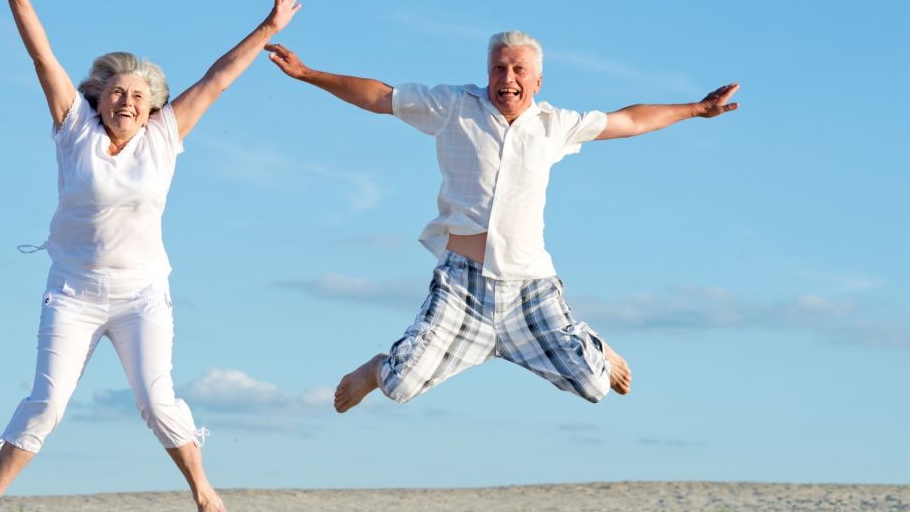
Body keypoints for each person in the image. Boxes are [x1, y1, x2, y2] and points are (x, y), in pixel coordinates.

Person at [0, 0, 300, 512]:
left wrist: (269, 26)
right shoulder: (73, 130)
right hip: (73, 290)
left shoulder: (165, 136)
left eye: (139, 95)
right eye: (117, 91)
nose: (127, 100)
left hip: (142, 292)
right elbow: (43, 59)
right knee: (48, 401)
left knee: (158, 401)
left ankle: (202, 490)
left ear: (152, 106)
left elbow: (218, 79)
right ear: (99, 97)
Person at [265, 32, 737, 414]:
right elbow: (380, 97)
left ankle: (592, 344)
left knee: (595, 386)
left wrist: (696, 109)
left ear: (537, 81)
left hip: (530, 289)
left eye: (518, 70)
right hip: (463, 289)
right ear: (487, 73)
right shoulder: (453, 106)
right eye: (498, 68)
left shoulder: (557, 124)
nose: (506, 77)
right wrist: (308, 74)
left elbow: (629, 120)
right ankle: (375, 368)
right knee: (398, 384)